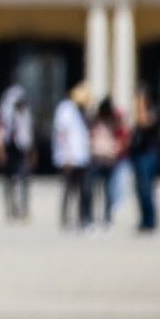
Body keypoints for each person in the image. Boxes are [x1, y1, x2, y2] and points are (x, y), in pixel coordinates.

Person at [0, 82, 33, 222]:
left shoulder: (25, 114)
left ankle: (23, 207)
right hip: (8, 148)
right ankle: (11, 207)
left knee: (24, 178)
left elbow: (28, 135)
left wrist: (30, 152)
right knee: (8, 180)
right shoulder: (3, 115)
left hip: (21, 149)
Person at [52, 83, 91, 230]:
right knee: (68, 189)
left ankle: (82, 219)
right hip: (69, 157)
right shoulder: (65, 109)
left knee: (83, 189)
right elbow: (62, 133)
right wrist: (66, 155)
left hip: (81, 156)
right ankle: (66, 219)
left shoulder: (81, 111)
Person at [127, 88, 160, 233]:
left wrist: (140, 103)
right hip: (138, 155)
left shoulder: (154, 110)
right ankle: (144, 219)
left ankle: (150, 220)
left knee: (146, 188)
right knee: (139, 189)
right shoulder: (136, 112)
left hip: (148, 155)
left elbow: (143, 122)